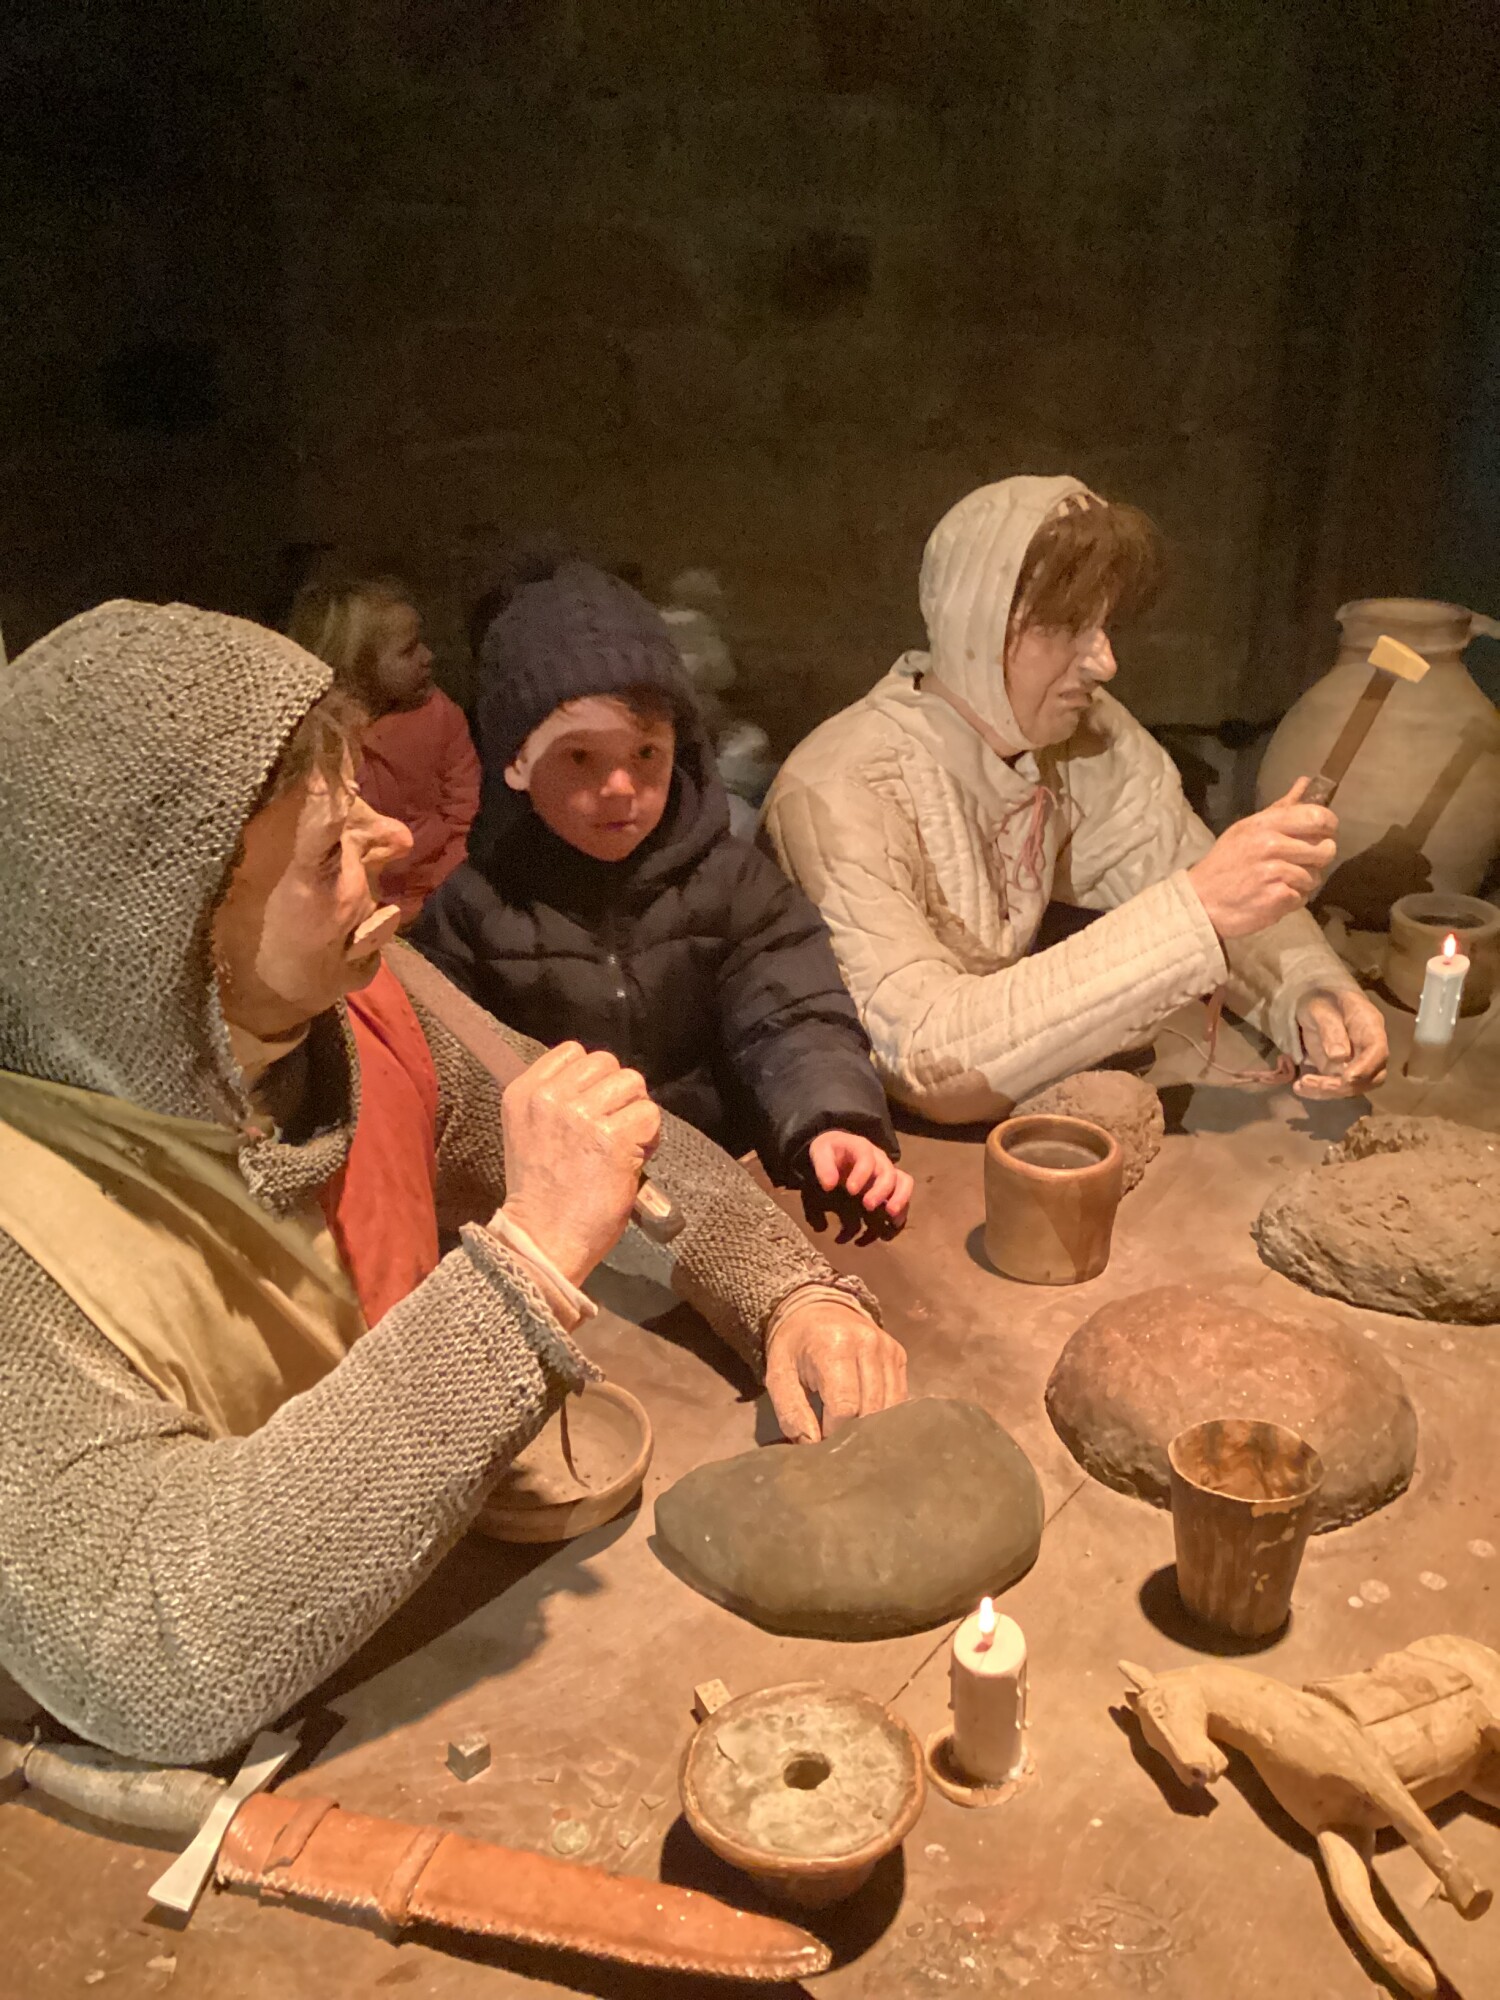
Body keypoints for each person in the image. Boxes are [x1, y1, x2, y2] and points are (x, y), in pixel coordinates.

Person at [0, 600, 907, 1765]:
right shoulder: (28, 1229)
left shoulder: (357, 1005)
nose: (390, 838)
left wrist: (791, 1292)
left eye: (359, 801)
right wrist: (522, 1272)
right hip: (238, 1766)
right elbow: (155, 1653)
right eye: (328, 853)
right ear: (161, 950)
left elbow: (586, 1123)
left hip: (412, 1601)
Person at [763, 477, 1388, 1119]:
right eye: (1063, 626)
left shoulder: (1077, 735)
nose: (1104, 663)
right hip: (865, 1135)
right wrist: (1194, 909)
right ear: (972, 619)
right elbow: (922, 1055)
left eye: (1103, 624)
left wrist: (1309, 990)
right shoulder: (837, 791)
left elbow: (1186, 864)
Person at [413, 558, 913, 1224]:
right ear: (516, 763)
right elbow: (451, 1072)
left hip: (719, 1185)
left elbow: (793, 1015)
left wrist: (831, 1120)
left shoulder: (732, 882)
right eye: (580, 756)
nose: (620, 787)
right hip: (555, 1199)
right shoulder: (472, 910)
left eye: (645, 753)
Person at [287, 578, 480, 928]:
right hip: (354, 902)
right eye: (408, 650)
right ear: (357, 667)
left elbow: (464, 810)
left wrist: (439, 889)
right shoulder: (318, 738)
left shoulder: (441, 715)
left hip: (440, 891)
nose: (428, 656)